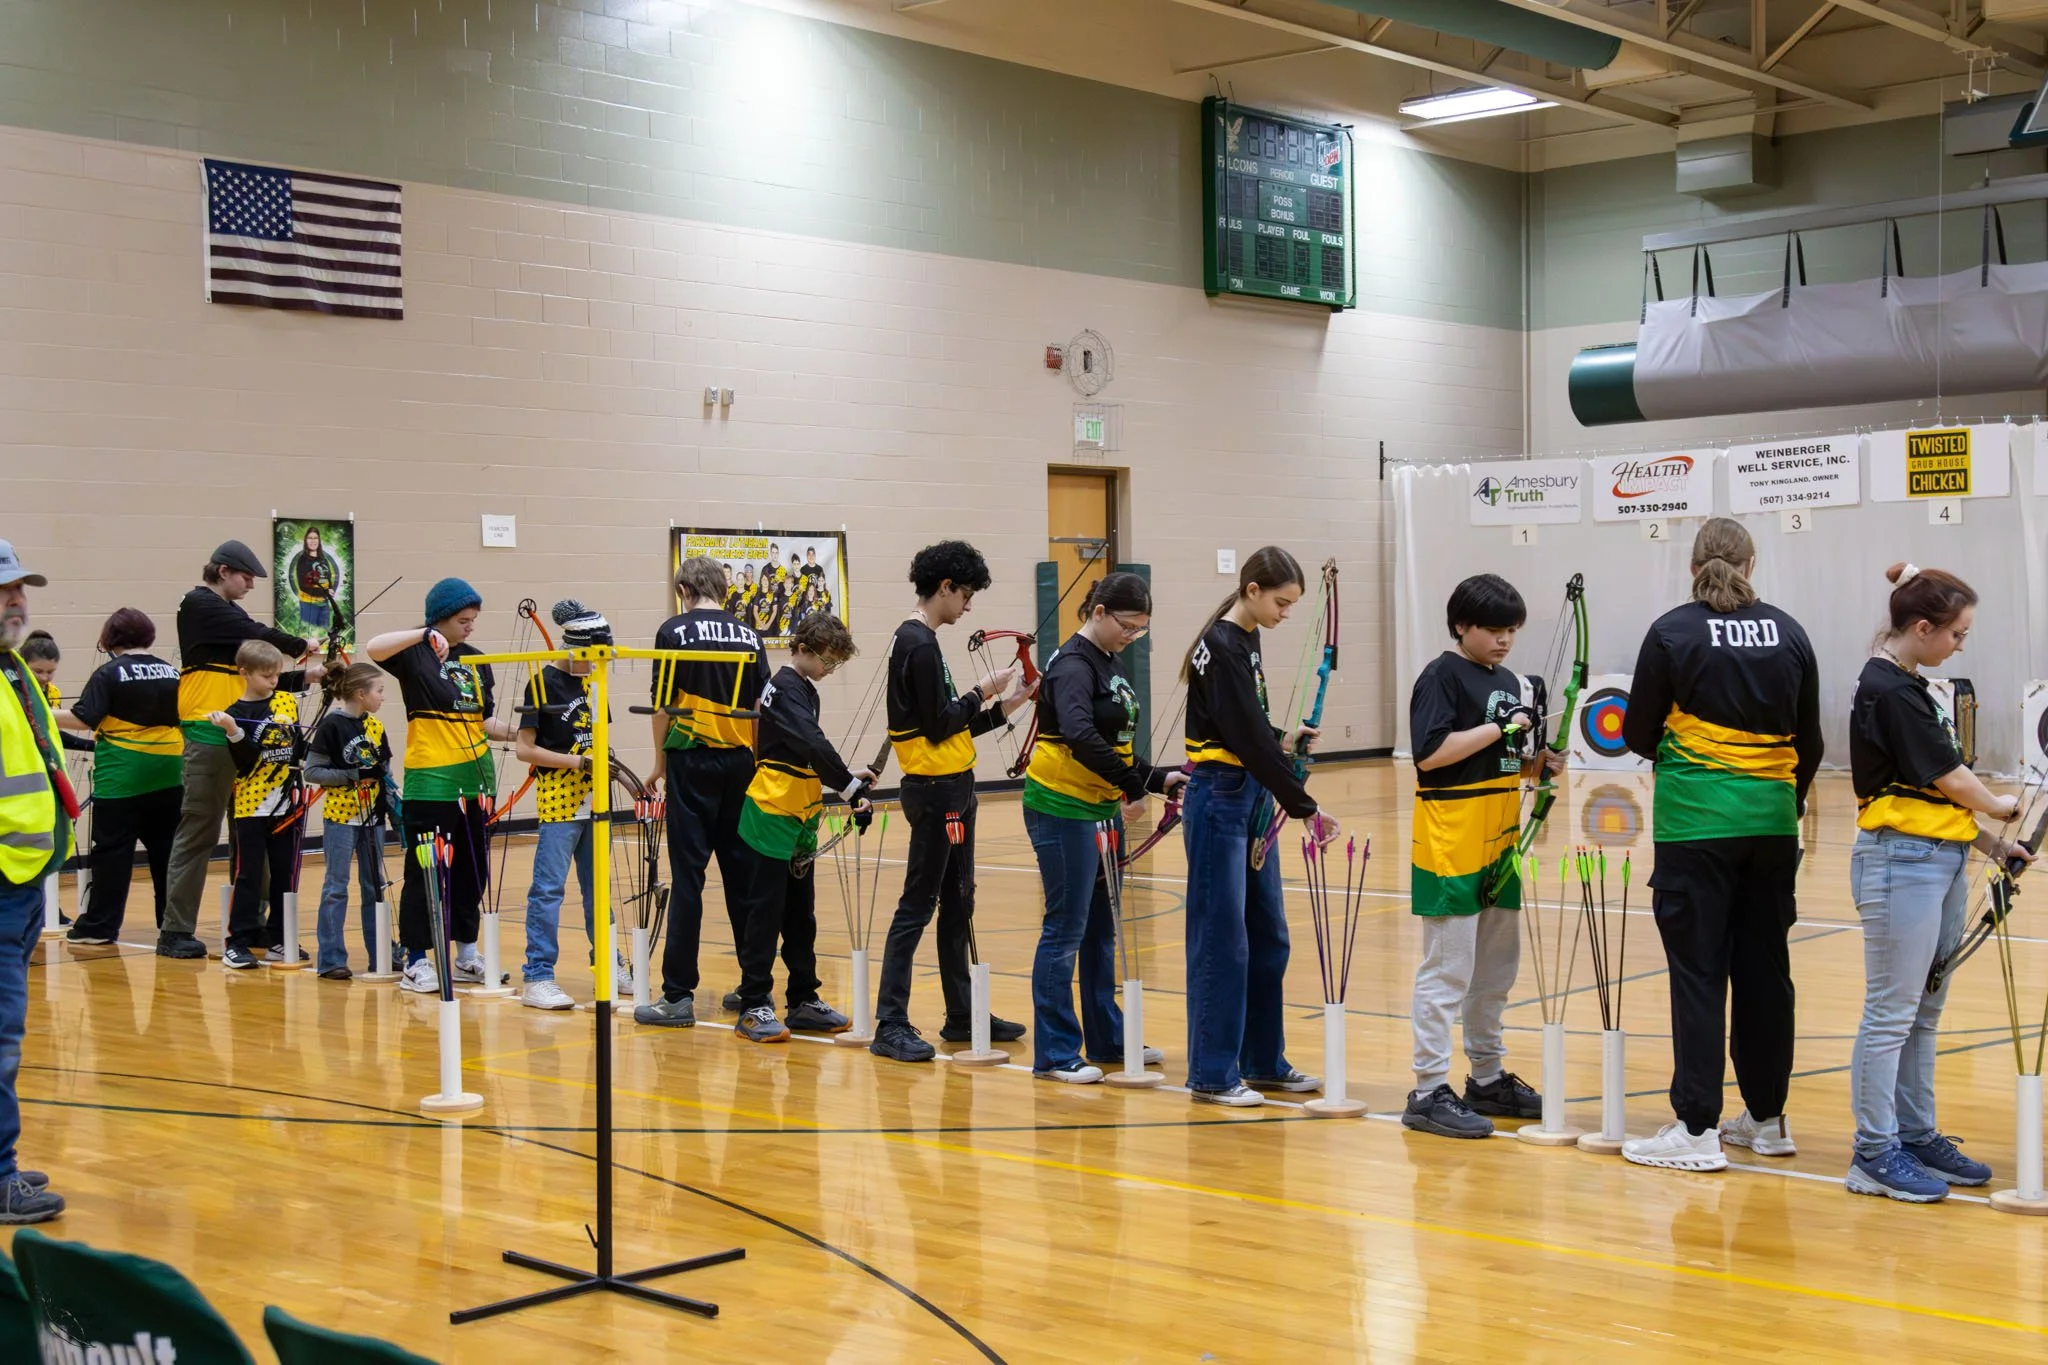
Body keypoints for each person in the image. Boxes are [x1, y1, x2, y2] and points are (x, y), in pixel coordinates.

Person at [1620, 519, 1823, 1174]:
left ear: (1692, 567)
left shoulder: (1672, 631)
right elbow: (1812, 740)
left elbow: (1637, 733)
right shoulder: (1789, 632)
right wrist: (1784, 799)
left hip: (1697, 826)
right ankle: (1767, 1119)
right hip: (1771, 827)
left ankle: (1697, 1127)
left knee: (1699, 972)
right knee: (1765, 970)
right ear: (1751, 564)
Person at [1840, 562, 2018, 1202]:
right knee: (1891, 1012)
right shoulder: (1887, 688)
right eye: (1957, 634)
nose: (1960, 645)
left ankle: (1914, 1134)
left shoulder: (1909, 684)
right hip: (1900, 863)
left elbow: (1928, 796)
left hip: (1936, 858)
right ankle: (1873, 1151)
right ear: (1922, 627)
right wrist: (1999, 805)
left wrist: (1994, 843)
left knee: (1924, 1009)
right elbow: (1951, 779)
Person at [1179, 546, 1337, 1106]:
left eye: (1293, 605)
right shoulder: (1222, 645)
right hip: (1220, 798)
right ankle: (1212, 1073)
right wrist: (1304, 805)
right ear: (1252, 590)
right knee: (1223, 942)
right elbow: (1243, 738)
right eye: (1281, 603)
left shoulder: (1246, 638)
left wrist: (1284, 738)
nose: (1286, 614)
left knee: (1268, 937)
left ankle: (1262, 1060)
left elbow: (1247, 719)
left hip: (1247, 796)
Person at [1402, 573, 1555, 1138]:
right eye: (1493, 630)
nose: (1504, 640)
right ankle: (1427, 1090)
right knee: (1448, 971)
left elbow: (1506, 755)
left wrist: (1540, 765)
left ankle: (1487, 1078)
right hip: (1451, 842)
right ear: (1462, 625)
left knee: (1495, 972)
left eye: (1511, 630)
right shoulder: (1441, 676)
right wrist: (1498, 727)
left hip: (1501, 842)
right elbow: (1431, 754)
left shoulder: (1509, 680)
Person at [869, 540, 1033, 1064]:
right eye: (965, 594)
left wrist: (1007, 705)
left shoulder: (924, 641)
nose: (968, 605)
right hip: (935, 791)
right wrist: (982, 690)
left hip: (954, 784)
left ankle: (962, 1013)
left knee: (959, 900)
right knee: (918, 904)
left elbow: (945, 728)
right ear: (945, 587)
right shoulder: (916, 642)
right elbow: (941, 723)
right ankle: (890, 1023)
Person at [1023, 573, 1182, 1083]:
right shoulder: (1072, 664)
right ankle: (1055, 1053)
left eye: (1140, 630)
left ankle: (1107, 1037)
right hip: (1062, 806)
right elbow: (1079, 734)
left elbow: (1115, 740)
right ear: (1098, 612)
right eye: (1127, 626)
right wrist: (1132, 786)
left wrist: (1155, 777)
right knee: (1066, 928)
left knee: (1100, 929)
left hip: (1097, 806)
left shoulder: (1108, 659)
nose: (1132, 636)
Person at [161, 540, 322, 959]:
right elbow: (259, 635)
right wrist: (298, 644)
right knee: (200, 830)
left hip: (250, 735)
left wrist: (309, 676)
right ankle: (175, 930)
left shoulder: (227, 619)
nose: (251, 584)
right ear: (222, 571)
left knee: (256, 831)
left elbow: (253, 680)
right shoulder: (200, 605)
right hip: (209, 734)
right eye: (246, 576)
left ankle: (252, 925)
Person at [636, 558, 768, 1027]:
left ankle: (678, 996)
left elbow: (662, 707)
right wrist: (755, 764)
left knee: (688, 879)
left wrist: (659, 765)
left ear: (685, 589)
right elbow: (760, 707)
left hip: (691, 762)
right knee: (742, 878)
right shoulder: (750, 635)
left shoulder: (673, 631)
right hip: (739, 763)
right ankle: (754, 988)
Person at [729, 613, 868, 1043]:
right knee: (765, 911)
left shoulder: (803, 688)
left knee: (799, 915)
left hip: (798, 810)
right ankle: (753, 1003)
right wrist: (850, 789)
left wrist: (850, 777)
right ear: (803, 649)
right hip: (772, 810)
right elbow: (810, 742)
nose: (831, 668)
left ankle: (804, 998)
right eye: (828, 659)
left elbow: (801, 752)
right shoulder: (786, 686)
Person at [367, 578, 511, 994]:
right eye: (463, 620)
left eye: (473, 620)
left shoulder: (478, 660)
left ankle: (466, 953)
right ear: (441, 618)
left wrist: (524, 734)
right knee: (426, 871)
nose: (470, 627)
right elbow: (374, 647)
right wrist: (423, 635)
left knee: (472, 871)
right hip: (431, 781)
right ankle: (416, 959)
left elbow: (483, 719)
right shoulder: (414, 653)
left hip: (476, 780)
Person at [515, 601, 631, 1010]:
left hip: (595, 801)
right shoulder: (542, 683)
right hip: (559, 803)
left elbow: (599, 740)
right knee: (548, 891)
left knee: (598, 889)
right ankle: (538, 976)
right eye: (592, 658)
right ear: (574, 650)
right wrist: (577, 762)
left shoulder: (593, 682)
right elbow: (524, 749)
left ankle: (608, 962)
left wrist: (624, 778)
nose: (597, 665)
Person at [0, 540, 68, 1223]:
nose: (16, 601)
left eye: (20, 588)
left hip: (21, 881)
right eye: (4, 591)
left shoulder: (14, 667)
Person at [55, 609, 182, 946]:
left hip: (123, 776)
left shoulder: (109, 672)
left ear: (110, 637)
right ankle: (173, 925)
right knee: (167, 851)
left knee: (112, 853)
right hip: (170, 772)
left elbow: (84, 719)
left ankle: (99, 927)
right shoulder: (172, 672)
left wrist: (40, 713)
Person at [209, 641, 310, 970]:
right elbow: (247, 762)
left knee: (285, 874)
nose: (274, 681)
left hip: (287, 802)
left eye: (277, 674)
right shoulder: (235, 713)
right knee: (249, 875)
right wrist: (233, 731)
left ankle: (279, 938)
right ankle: (236, 942)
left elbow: (296, 745)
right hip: (252, 805)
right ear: (245, 673)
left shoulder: (285, 702)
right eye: (266, 676)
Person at [304, 662, 393, 980]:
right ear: (360, 694)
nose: (382, 696)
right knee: (335, 888)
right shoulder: (332, 725)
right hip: (341, 818)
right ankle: (331, 960)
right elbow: (312, 771)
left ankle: (381, 955)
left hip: (373, 819)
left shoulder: (376, 726)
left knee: (374, 887)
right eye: (379, 691)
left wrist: (395, 809)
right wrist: (353, 774)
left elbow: (385, 773)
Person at [17, 634, 88, 754]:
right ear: (23, 665)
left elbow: (51, 732)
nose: (44, 677)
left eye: (50, 672)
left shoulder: (53, 691)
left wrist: (92, 745)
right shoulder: (14, 691)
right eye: (38, 671)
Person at [288, 527, 340, 635]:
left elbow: (328, 577)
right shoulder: (302, 560)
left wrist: (330, 588)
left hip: (324, 604)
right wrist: (324, 592)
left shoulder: (323, 559)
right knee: (309, 636)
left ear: (319, 540)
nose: (313, 541)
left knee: (324, 635)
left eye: (315, 538)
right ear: (306, 541)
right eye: (310, 538)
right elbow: (303, 586)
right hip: (308, 604)